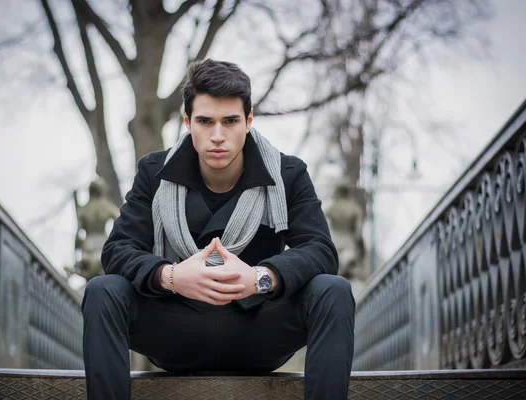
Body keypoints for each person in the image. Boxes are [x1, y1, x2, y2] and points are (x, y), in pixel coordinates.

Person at [81, 59, 355, 400]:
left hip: (258, 329)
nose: (217, 136)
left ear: (249, 120)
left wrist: (261, 277)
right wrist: (171, 276)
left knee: (334, 289)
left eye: (230, 121)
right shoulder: (153, 172)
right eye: (205, 121)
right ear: (187, 121)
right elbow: (117, 250)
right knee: (102, 289)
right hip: (175, 328)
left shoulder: (289, 173)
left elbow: (321, 251)